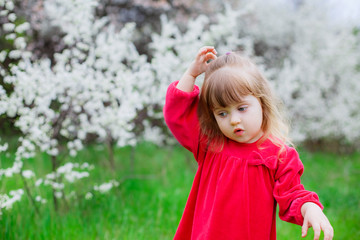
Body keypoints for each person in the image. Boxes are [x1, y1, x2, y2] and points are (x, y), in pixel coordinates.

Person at [163, 46, 334, 240]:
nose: (234, 119)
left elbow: (292, 194)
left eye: (242, 108)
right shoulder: (210, 144)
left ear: (261, 102)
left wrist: (310, 208)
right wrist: (191, 74)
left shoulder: (279, 156)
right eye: (222, 113)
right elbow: (177, 114)